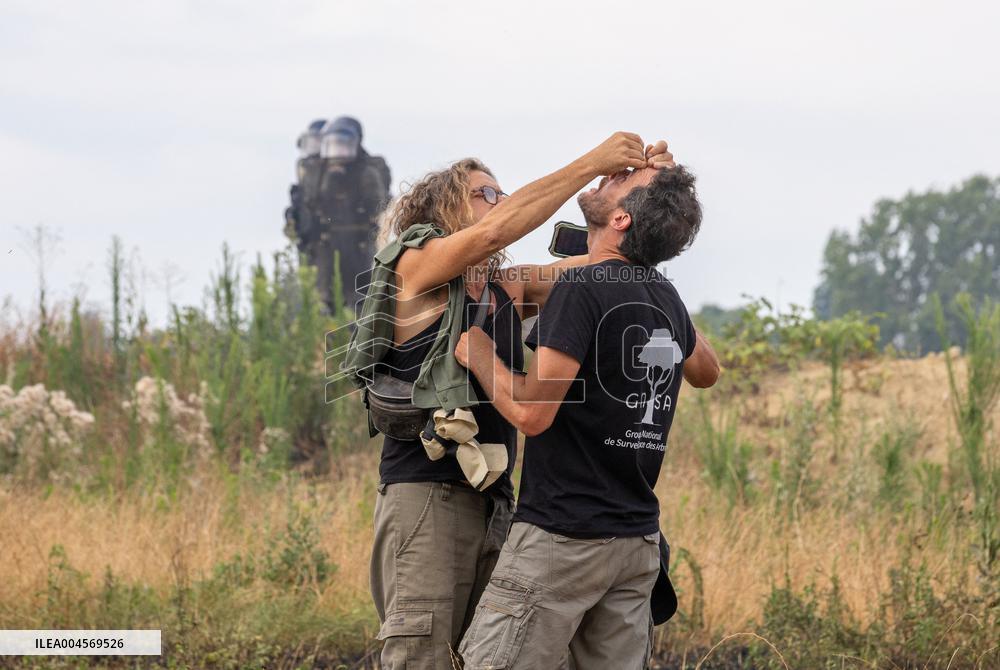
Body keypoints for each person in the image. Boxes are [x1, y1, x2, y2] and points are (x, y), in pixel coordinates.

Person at [351, 133, 665, 670]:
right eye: (485, 194)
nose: (501, 203)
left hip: (496, 500)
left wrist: (646, 193)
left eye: (500, 193)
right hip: (425, 495)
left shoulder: (504, 286)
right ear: (445, 209)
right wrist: (594, 162)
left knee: (486, 655)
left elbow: (604, 267)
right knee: (422, 654)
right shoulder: (416, 267)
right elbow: (502, 227)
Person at [455, 160, 721, 669]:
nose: (606, 177)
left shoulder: (581, 289)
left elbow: (533, 414)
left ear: (621, 219)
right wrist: (654, 244)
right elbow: (706, 371)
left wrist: (479, 354)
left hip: (563, 536)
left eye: (619, 181)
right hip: (636, 543)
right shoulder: (664, 294)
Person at [284, 119, 326, 253]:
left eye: (317, 141)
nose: (314, 146)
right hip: (309, 243)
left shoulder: (336, 173)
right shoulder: (306, 168)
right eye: (312, 142)